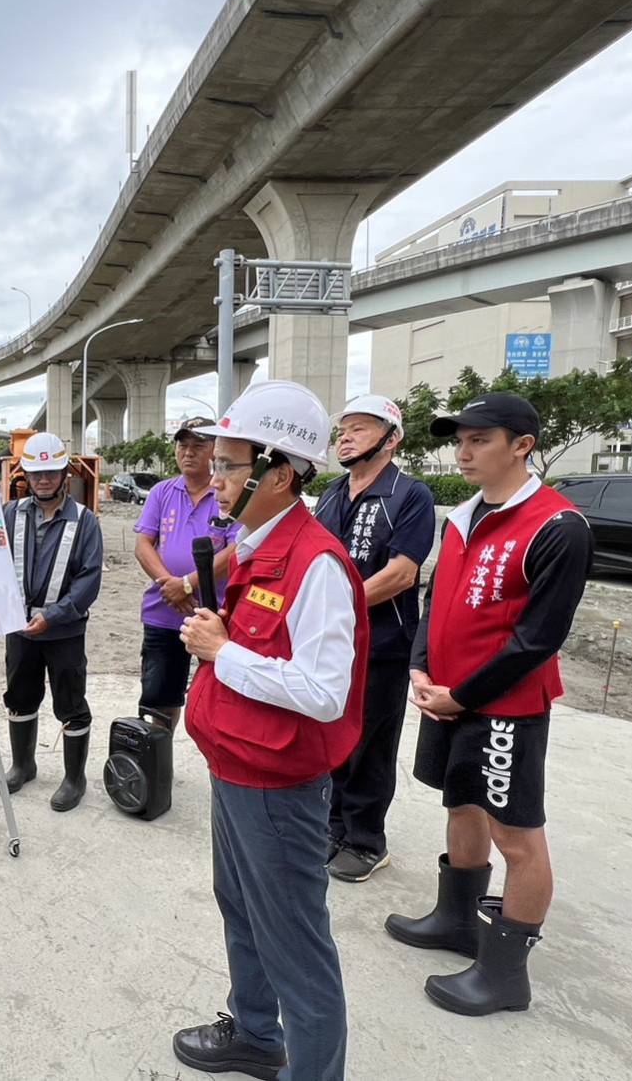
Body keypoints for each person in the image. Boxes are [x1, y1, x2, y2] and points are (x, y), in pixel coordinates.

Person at [171, 380, 367, 1081]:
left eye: (228, 465)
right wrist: (227, 643)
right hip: (237, 766)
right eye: (215, 463)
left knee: (296, 944)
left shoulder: (317, 564)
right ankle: (256, 1033)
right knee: (242, 907)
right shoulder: (260, 546)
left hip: (279, 786)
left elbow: (323, 693)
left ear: (278, 473)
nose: (213, 478)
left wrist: (224, 653)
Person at [385, 392, 592, 1016]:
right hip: (446, 695)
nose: (464, 451)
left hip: (506, 707)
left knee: (517, 833)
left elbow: (538, 639)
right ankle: (455, 920)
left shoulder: (557, 527)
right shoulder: (462, 516)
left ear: (522, 445)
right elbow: (435, 595)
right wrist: (420, 664)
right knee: (461, 801)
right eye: (461, 439)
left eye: (480, 440)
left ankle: (504, 974)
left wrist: (463, 695)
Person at [312, 394, 436, 883]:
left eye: (359, 429)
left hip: (381, 644)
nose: (345, 437)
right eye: (343, 429)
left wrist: (333, 609)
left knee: (371, 742)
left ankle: (366, 841)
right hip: (329, 640)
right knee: (332, 732)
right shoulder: (330, 492)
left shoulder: (410, 495)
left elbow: (402, 573)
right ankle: (332, 825)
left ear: (391, 439)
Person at [0, 431, 104, 811]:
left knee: (71, 703)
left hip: (64, 633)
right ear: (25, 474)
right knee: (20, 697)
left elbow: (89, 581)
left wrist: (53, 617)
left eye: (51, 472)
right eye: (36, 472)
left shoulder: (85, 521)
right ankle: (22, 765)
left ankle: (75, 778)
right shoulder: (10, 515)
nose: (44, 479)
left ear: (65, 474)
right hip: (20, 631)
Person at [131, 416, 240, 728]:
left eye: (198, 445)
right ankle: (156, 767)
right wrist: (171, 587)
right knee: (157, 700)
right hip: (163, 611)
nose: (188, 452)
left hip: (216, 614)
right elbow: (143, 544)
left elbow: (235, 550)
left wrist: (187, 586)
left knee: (221, 696)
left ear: (215, 451)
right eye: (183, 445)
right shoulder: (162, 492)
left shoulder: (227, 493)